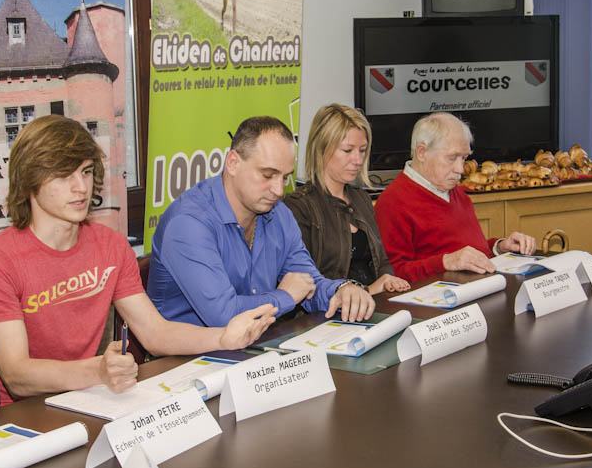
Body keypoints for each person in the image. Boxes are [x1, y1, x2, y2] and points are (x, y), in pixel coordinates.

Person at [0, 115, 275, 406]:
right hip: (23, 414)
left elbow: (155, 333)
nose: (81, 187)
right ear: (29, 181)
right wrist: (98, 371)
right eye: (64, 175)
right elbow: (17, 375)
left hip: (90, 398)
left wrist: (224, 337)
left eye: (86, 172)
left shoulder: (110, 245)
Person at [147, 116, 375, 327]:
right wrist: (285, 297)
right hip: (186, 361)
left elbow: (307, 283)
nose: (278, 190)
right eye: (267, 175)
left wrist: (341, 290)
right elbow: (223, 316)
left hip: (254, 349)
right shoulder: (189, 224)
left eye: (285, 178)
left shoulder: (278, 213)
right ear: (233, 163)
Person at [375, 113, 536, 281]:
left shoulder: (455, 190)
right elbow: (392, 275)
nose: (460, 169)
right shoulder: (393, 203)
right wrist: (446, 262)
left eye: (464, 158)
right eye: (452, 158)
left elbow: (467, 250)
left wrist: (500, 247)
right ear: (422, 152)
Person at [284, 104, 410, 295]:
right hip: (330, 315)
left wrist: (389, 280)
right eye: (348, 150)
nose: (358, 160)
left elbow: (382, 262)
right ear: (322, 149)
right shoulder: (299, 207)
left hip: (372, 304)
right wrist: (367, 291)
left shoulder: (361, 199)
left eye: (362, 150)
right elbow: (304, 284)